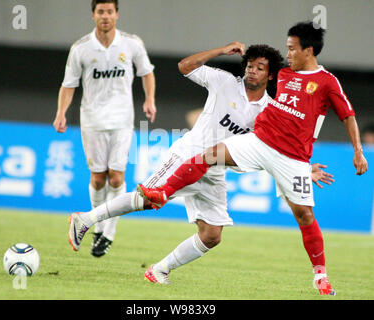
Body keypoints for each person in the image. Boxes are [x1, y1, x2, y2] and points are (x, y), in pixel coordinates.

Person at [68, 42, 334, 285]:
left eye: (260, 68)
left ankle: (159, 269)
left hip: (215, 170)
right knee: (149, 200)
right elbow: (184, 66)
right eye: (250, 65)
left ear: (271, 75)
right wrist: (219, 51)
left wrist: (302, 168)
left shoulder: (269, 109)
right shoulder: (224, 81)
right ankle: (86, 219)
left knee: (211, 235)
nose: (252, 71)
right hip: (188, 155)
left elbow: (271, 150)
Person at [138, 21, 368, 296]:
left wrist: (357, 151)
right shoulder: (282, 74)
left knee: (304, 215)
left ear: (308, 50)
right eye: (287, 49)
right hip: (259, 141)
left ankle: (321, 276)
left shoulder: (327, 82)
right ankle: (163, 192)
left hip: (292, 158)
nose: (289, 54)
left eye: (293, 49)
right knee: (207, 155)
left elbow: (348, 114)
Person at [54, 0, 156, 258]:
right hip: (92, 120)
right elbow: (68, 84)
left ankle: (108, 233)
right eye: (101, 12)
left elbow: (147, 72)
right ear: (93, 15)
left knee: (116, 178)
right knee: (98, 179)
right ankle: (98, 225)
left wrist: (149, 100)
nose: (105, 16)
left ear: (117, 15)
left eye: (110, 11)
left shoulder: (132, 43)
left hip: (122, 120)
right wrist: (61, 113)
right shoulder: (81, 48)